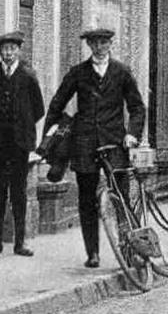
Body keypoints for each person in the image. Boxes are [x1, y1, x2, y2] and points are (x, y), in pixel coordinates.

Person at [43, 27, 144, 268]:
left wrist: (132, 135)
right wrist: (50, 139)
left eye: (103, 43)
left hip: (114, 142)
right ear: (89, 45)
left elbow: (137, 107)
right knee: (87, 199)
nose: (99, 48)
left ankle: (129, 250)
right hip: (85, 143)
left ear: (110, 44)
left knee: (121, 197)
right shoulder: (78, 73)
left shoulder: (122, 72)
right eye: (94, 43)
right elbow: (57, 103)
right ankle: (93, 253)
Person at [0, 31, 44, 256]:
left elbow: (39, 109)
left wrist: (25, 132)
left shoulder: (27, 76)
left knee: (19, 193)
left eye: (12, 49)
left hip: (19, 145)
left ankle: (20, 243)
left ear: (18, 51)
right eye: (5, 49)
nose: (8, 53)